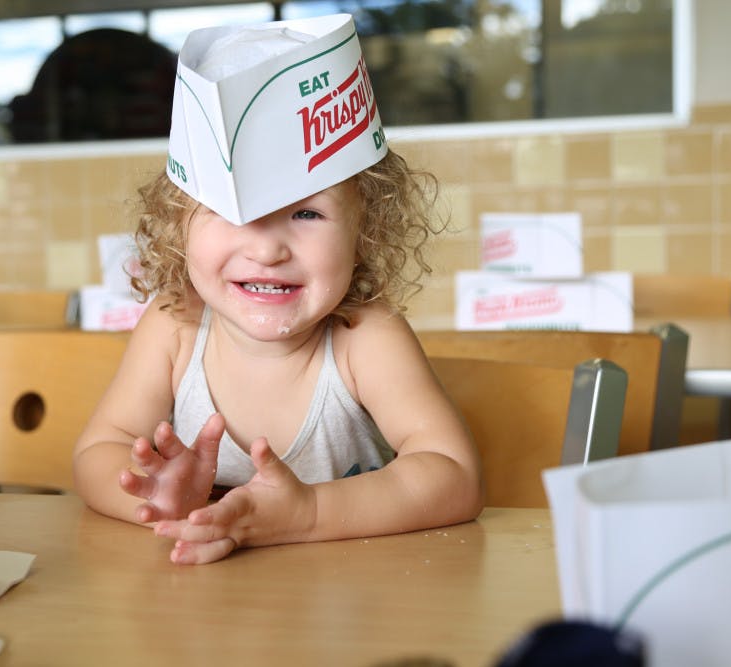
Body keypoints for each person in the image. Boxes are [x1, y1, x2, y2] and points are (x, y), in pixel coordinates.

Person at [73, 13, 482, 565]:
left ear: (365, 230)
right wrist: (157, 496)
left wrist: (308, 512)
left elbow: (453, 476)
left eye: (307, 213)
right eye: (230, 214)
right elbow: (98, 452)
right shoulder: (173, 326)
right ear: (177, 226)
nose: (267, 250)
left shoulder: (367, 337)